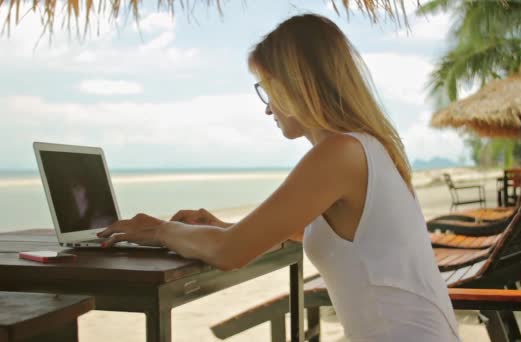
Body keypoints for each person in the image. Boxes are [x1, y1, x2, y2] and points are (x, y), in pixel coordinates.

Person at [98, 13, 461, 342]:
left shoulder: (340, 153)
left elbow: (230, 253)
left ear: (296, 84)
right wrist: (226, 227)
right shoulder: (364, 147)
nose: (268, 106)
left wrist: (160, 229)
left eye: (266, 88)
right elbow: (310, 235)